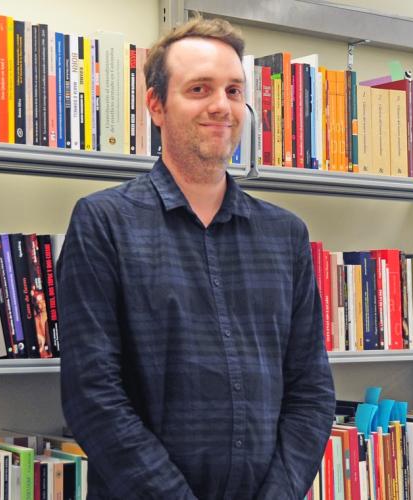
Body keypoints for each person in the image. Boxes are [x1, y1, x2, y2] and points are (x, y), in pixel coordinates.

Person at [57, 15, 335, 500]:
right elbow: (92, 398)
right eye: (200, 89)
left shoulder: (285, 234)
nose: (221, 106)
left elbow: (310, 391)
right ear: (156, 105)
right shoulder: (103, 223)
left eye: (233, 90)